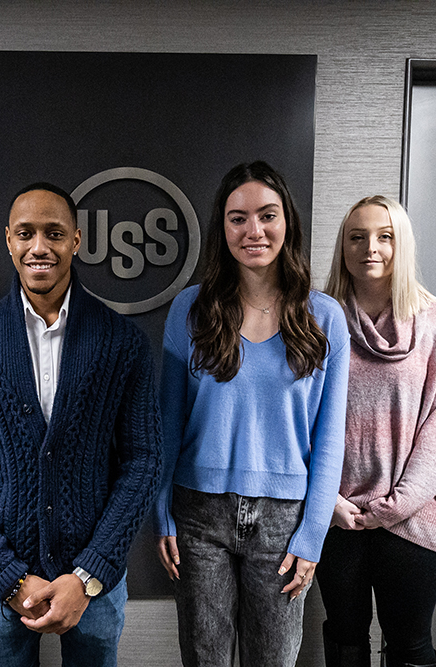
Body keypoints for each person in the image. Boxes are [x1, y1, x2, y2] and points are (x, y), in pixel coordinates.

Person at [0, 182, 162, 666]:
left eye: (54, 233)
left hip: (95, 586)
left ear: (76, 241)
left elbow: (143, 462)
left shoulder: (124, 343)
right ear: (8, 240)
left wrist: (88, 575)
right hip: (0, 584)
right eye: (26, 233)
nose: (40, 246)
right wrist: (7, 577)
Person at [154, 161, 349, 667]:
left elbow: (330, 439)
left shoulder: (324, 316)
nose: (254, 231)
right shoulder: (190, 309)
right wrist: (161, 511)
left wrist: (312, 536)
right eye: (238, 218)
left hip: (286, 523)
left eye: (268, 215)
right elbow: (166, 422)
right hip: (198, 516)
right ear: (222, 226)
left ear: (288, 223)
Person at [316, 196, 436, 667]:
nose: (370, 248)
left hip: (413, 517)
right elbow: (300, 418)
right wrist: (328, 500)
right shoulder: (318, 319)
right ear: (343, 247)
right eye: (356, 237)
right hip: (337, 516)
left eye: (385, 236)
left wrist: (397, 505)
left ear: (403, 245)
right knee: (344, 639)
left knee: (410, 646)